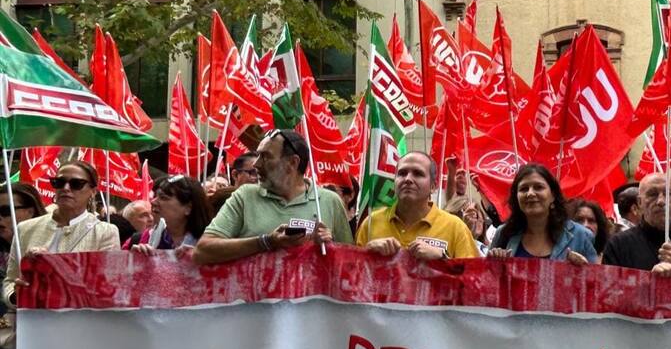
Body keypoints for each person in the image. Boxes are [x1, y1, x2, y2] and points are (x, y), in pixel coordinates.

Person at [2, 162, 118, 349]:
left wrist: (52, 268)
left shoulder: (105, 232)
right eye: (59, 181)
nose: (66, 188)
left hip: (79, 339)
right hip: (32, 337)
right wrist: (18, 294)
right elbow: (9, 281)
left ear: (92, 190)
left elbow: (106, 285)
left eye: (76, 183)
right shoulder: (26, 229)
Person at [194, 130, 351, 265]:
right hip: (254, 300)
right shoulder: (245, 196)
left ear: (293, 162)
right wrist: (266, 242)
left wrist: (330, 248)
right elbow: (202, 252)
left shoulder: (329, 201)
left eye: (265, 157)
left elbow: (352, 265)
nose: (256, 164)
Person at [356, 151, 479, 260]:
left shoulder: (455, 227)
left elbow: (474, 280)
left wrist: (443, 259)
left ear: (433, 186)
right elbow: (352, 277)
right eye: (402, 173)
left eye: (418, 174)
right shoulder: (371, 222)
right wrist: (367, 253)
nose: (408, 179)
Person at [0, 183, 44, 349]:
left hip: (35, 336)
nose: (0, 219)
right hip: (4, 338)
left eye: (6, 211)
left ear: (29, 210)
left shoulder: (43, 240)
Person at [602, 173, 671, 275]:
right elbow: (609, 291)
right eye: (653, 194)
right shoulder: (618, 245)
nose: (661, 201)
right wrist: (650, 280)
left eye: (668, 194)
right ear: (640, 202)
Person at [487, 165, 596, 264]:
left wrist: (585, 270)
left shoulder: (581, 236)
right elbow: (487, 281)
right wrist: (493, 264)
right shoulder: (504, 233)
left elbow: (596, 282)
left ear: (553, 195)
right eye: (524, 189)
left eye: (538, 187)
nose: (530, 193)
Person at [128, 175, 215, 253]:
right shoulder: (142, 239)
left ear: (188, 208)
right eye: (155, 196)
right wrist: (135, 261)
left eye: (163, 198)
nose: (153, 201)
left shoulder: (212, 244)